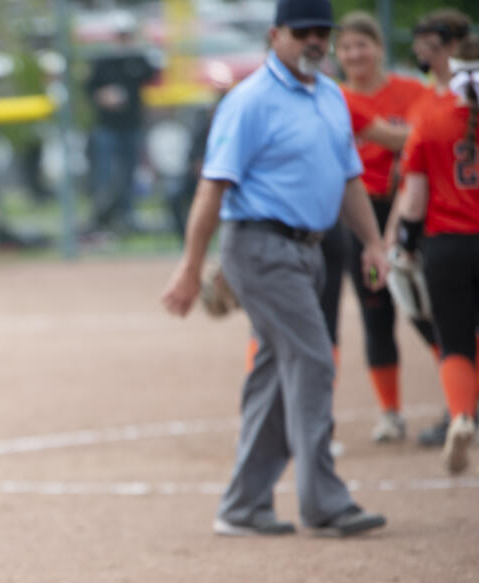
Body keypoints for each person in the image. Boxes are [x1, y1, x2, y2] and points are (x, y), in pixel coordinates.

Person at [160, 0, 388, 538]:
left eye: (322, 32)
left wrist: (374, 243)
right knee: (312, 359)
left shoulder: (331, 96)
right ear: (275, 35)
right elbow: (212, 186)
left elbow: (349, 178)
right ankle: (324, 502)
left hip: (309, 248)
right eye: (303, 31)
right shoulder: (250, 102)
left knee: (274, 375)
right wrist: (191, 267)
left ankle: (243, 505)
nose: (315, 40)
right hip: (260, 247)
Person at [394, 37, 479, 477]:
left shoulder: (429, 121)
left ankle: (461, 414)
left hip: (445, 247)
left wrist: (404, 246)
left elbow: (414, 202)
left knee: (454, 340)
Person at [334, 11, 435, 444]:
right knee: (376, 307)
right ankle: (390, 413)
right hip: (362, 219)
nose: (355, 54)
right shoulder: (333, 97)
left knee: (424, 305)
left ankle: (473, 397)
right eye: (347, 47)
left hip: (410, 212)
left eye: (363, 44)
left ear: (378, 48)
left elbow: (427, 139)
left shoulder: (410, 92)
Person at [85, 11, 159, 236]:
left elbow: (153, 73)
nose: (123, 39)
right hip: (107, 127)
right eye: (120, 35)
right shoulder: (104, 59)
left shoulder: (137, 57)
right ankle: (102, 218)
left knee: (128, 173)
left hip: (131, 125)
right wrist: (103, 95)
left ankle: (126, 217)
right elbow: (88, 88)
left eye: (126, 35)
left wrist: (145, 45)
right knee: (104, 175)